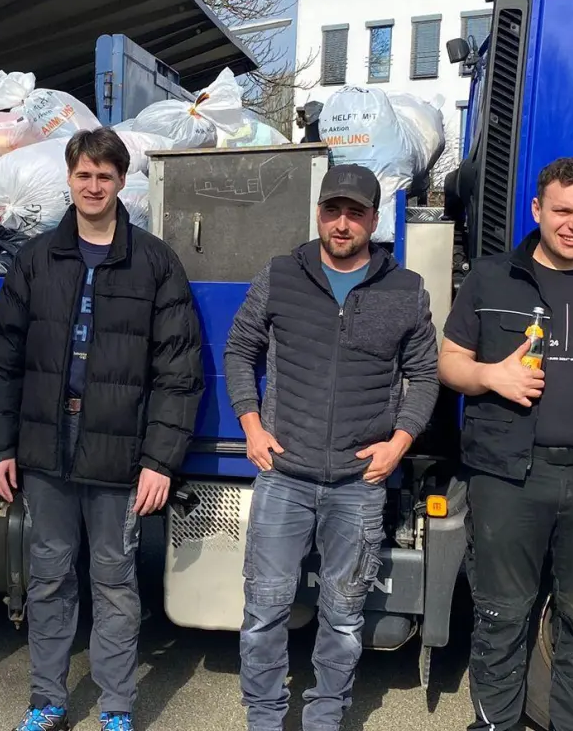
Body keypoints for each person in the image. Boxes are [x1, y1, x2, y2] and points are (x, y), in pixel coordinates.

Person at [0, 128, 203, 731]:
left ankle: (116, 707)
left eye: (105, 176)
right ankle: (47, 701)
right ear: (70, 179)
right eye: (84, 175)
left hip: (119, 453)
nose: (94, 186)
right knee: (48, 579)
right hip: (46, 448)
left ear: (122, 182)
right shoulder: (36, 259)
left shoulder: (155, 262)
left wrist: (160, 460)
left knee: (114, 583)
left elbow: (179, 371)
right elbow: (2, 359)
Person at [436, 156, 573, 731]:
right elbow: (449, 362)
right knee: (500, 618)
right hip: (509, 477)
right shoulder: (492, 277)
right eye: (562, 210)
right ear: (537, 210)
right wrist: (491, 376)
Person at [223, 163, 439, 731]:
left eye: (356, 213)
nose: (342, 224)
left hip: (359, 484)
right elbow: (239, 350)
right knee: (264, 612)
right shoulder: (280, 274)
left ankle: (324, 718)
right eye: (332, 210)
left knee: (343, 619)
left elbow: (425, 374)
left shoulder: (405, 289)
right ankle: (265, 719)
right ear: (319, 212)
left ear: (374, 218)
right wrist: (251, 424)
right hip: (284, 476)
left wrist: (399, 443)